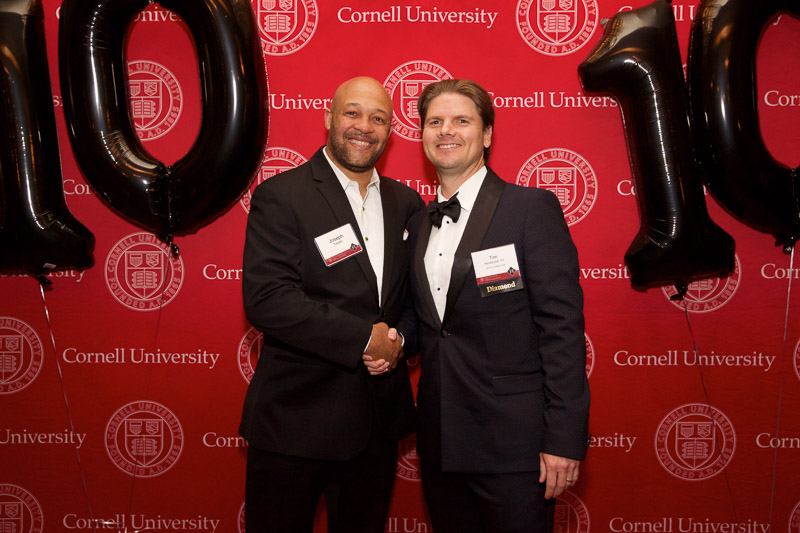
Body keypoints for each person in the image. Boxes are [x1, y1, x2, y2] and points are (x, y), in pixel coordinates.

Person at [366, 79, 590, 532]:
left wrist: (565, 437)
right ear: (423, 134)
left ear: (486, 134)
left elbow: (562, 329)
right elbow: (424, 317)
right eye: (435, 122)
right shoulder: (418, 223)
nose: (446, 131)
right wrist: (397, 338)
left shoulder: (530, 209)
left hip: (516, 443)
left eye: (462, 121)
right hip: (443, 439)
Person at [239, 76, 424, 533]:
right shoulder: (283, 196)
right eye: (352, 113)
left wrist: (398, 338)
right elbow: (268, 300)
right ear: (328, 118)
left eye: (378, 118)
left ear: (391, 131)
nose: (364, 126)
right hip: (294, 422)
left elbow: (418, 298)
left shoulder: (406, 204)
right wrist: (366, 337)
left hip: (375, 426)